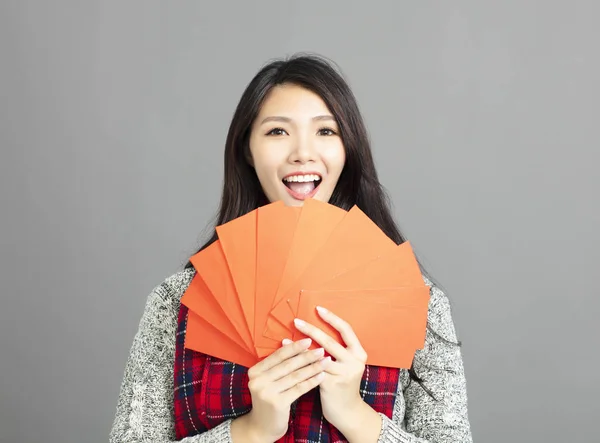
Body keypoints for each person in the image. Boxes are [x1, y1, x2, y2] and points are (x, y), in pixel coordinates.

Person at [109, 53, 472, 443]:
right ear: (247, 149)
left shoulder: (419, 303)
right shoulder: (176, 302)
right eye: (278, 132)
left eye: (326, 132)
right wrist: (249, 431)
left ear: (348, 149)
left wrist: (355, 415)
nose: (302, 152)